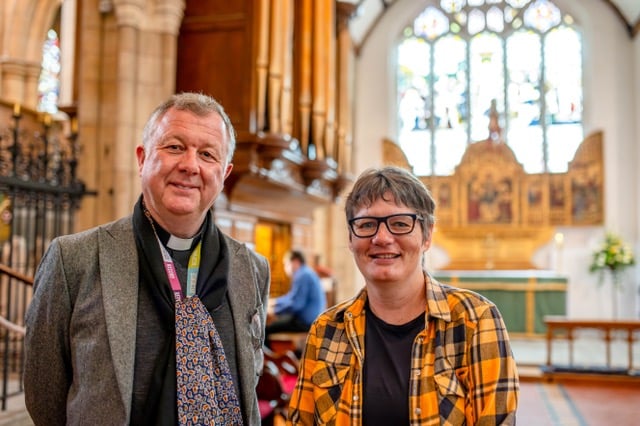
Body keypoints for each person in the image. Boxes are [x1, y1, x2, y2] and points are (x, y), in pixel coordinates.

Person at [24, 92, 270, 425]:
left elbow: (248, 384)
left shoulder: (251, 269)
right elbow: (45, 398)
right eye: (174, 147)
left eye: (207, 154)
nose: (189, 165)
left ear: (224, 174)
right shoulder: (74, 260)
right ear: (142, 158)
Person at [288, 166, 519, 425]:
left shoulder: (476, 321)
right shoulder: (325, 330)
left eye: (400, 223)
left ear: (427, 235)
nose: (382, 238)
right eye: (366, 224)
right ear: (351, 238)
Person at [266, 250, 326, 338]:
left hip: (307, 321)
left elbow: (296, 305)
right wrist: (275, 302)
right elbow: (292, 297)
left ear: (295, 262)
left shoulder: (303, 275)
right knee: (278, 321)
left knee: (266, 328)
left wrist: (275, 310)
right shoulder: (305, 272)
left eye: (286, 264)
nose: (285, 268)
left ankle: (271, 352)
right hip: (311, 318)